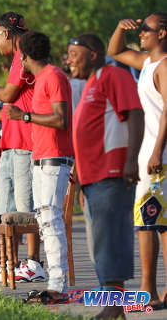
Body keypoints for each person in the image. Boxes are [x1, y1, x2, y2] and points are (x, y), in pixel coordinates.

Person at [69, 34, 144, 318]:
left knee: (110, 239)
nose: (69, 59)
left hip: (112, 171)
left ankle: (113, 306)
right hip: (92, 176)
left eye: (74, 53)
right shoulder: (91, 82)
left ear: (93, 54)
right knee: (99, 242)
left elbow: (135, 114)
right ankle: (115, 308)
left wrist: (131, 161)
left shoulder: (114, 75)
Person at [5, 31, 73, 302]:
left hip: (54, 157)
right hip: (42, 156)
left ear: (23, 55)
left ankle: (58, 284)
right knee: (45, 220)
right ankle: (55, 282)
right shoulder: (43, 77)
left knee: (51, 218)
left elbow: (61, 119)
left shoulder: (53, 76)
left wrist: (24, 116)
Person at [0, 12, 42, 283]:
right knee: (5, 205)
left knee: (26, 206)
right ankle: (10, 263)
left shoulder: (24, 54)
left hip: (26, 141)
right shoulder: (18, 57)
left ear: (6, 34)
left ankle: (33, 263)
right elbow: (12, 106)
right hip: (10, 140)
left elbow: (10, 96)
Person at [108, 12, 167, 310]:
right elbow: (115, 51)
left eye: (147, 29)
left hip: (158, 153)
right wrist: (120, 27)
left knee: (148, 221)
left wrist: (157, 150)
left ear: (163, 33)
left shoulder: (165, 64)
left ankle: (148, 292)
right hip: (150, 151)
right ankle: (158, 291)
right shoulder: (147, 62)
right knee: (159, 222)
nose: (141, 32)